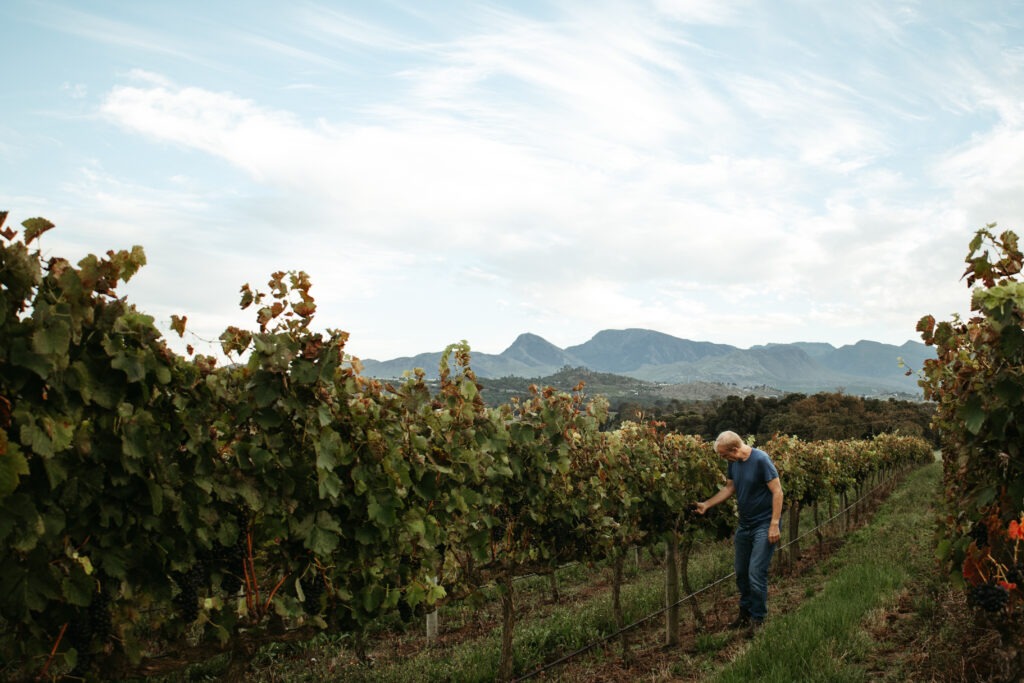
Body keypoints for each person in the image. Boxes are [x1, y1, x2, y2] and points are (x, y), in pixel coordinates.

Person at [694, 430, 783, 637]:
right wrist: (706, 504)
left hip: (764, 524)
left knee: (755, 573)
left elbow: (778, 491)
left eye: (725, 455)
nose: (724, 459)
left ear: (734, 449)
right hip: (745, 525)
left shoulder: (761, 459)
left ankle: (758, 619)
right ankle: (745, 614)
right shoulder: (733, 462)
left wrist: (774, 524)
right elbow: (730, 488)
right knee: (741, 572)